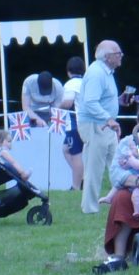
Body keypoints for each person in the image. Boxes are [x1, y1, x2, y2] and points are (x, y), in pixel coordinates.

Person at [96, 101, 139, 272]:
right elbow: (115, 172)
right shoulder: (128, 142)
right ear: (138, 122)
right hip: (135, 188)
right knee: (121, 198)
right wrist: (135, 180)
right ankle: (119, 255)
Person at [76, 41, 123, 214]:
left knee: (118, 163)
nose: (121, 56)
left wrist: (120, 101)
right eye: (118, 53)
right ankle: (89, 208)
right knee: (94, 168)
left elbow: (102, 99)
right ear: (107, 57)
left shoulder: (106, 72)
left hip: (106, 125)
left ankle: (122, 201)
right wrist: (108, 118)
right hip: (96, 125)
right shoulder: (97, 73)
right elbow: (90, 102)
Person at [60, 54, 87, 194]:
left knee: (76, 153)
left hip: (74, 124)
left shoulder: (70, 84)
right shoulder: (86, 83)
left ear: (68, 71)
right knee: (65, 149)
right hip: (86, 122)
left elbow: (67, 102)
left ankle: (76, 186)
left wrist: (56, 107)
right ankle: (82, 176)